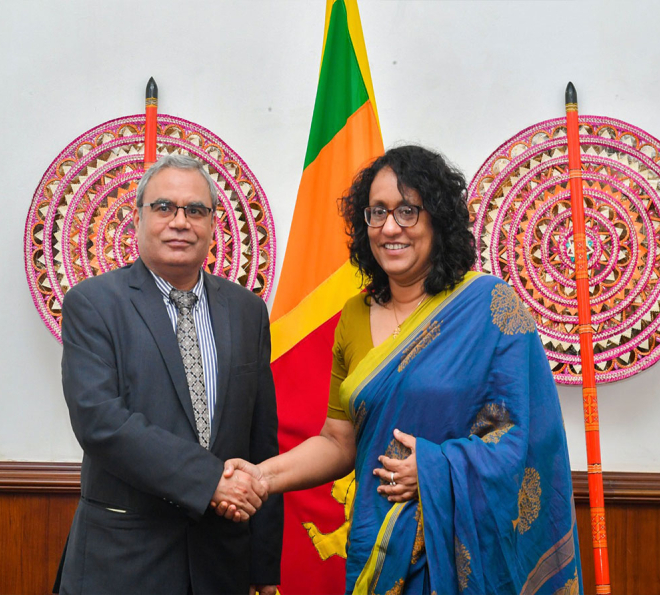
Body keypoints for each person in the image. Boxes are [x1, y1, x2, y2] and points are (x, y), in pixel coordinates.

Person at [218, 145, 583, 593]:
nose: (390, 227)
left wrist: (432, 469)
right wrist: (261, 476)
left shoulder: (489, 305)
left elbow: (526, 440)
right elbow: (338, 440)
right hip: (377, 544)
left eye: (408, 211)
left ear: (438, 220)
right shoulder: (354, 315)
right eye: (377, 213)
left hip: (464, 554)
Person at [58, 154, 283, 595]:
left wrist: (263, 567)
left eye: (195, 210)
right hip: (124, 563)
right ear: (138, 217)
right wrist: (210, 481)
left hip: (223, 564)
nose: (180, 221)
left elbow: (261, 439)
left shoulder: (247, 310)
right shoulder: (93, 304)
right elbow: (100, 422)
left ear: (212, 224)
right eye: (164, 207)